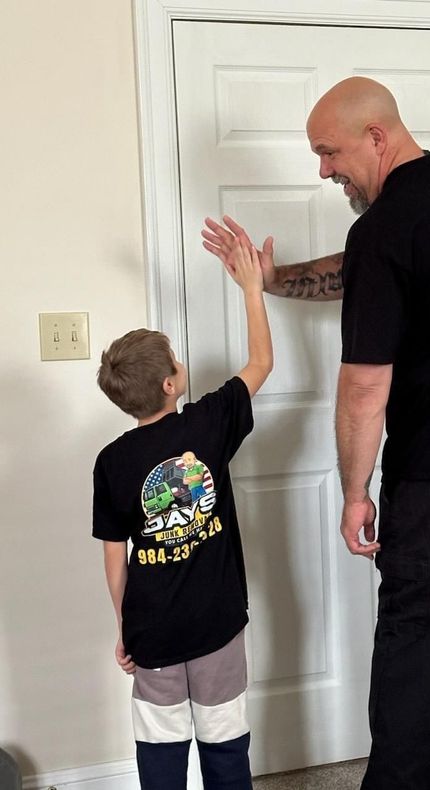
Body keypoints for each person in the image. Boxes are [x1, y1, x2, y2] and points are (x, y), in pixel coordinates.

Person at [201, 76, 430, 790]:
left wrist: (354, 491)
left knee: (411, 644)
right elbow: (384, 268)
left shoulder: (384, 226)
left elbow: (364, 387)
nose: (323, 170)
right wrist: (276, 280)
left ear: (375, 137)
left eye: (329, 152)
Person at [92, 240, 273, 790]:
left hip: (154, 634)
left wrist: (126, 627)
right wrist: (250, 289)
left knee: (162, 757)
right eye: (175, 357)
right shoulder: (207, 424)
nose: (180, 360)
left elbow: (114, 556)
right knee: (225, 751)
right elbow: (261, 362)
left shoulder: (112, 462)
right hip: (217, 625)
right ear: (170, 383)